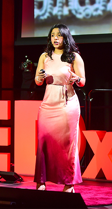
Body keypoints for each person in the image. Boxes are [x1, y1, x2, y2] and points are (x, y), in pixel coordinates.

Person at [34, 23, 85, 193]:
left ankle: (68, 183)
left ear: (65, 37)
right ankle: (41, 182)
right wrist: (40, 76)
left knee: (67, 145)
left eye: (59, 35)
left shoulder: (74, 57)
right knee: (43, 142)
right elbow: (38, 81)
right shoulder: (44, 56)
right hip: (48, 104)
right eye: (52, 35)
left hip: (67, 104)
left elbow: (83, 81)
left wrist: (77, 78)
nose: (55, 38)